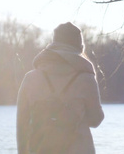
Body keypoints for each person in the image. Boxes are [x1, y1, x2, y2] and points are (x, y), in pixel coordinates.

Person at [17, 22, 104, 154]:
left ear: (53, 43)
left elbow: (22, 126)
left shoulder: (30, 79)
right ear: (79, 46)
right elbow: (95, 120)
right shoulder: (86, 78)